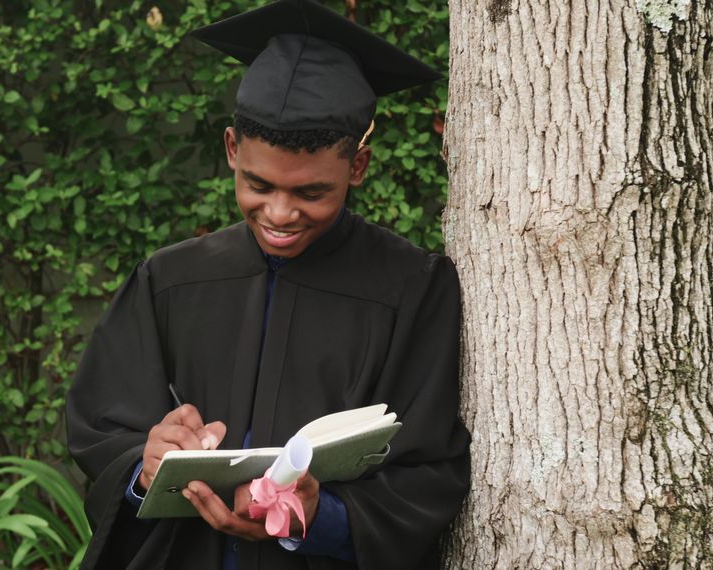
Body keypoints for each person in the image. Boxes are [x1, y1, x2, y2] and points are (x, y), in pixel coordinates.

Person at [66, 1, 470, 568]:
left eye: (311, 193)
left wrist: (319, 516)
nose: (280, 213)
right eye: (258, 184)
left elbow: (428, 468)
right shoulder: (171, 278)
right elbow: (102, 425)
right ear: (232, 149)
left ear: (358, 166)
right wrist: (146, 462)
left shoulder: (411, 290)